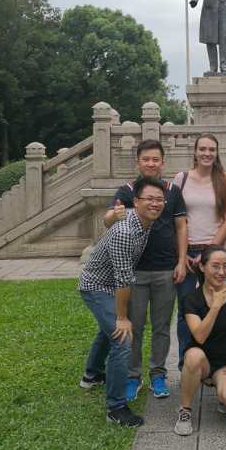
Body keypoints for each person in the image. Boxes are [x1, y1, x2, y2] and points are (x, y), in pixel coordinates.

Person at [103, 139, 187, 402]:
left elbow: (181, 227)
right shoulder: (127, 191)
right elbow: (107, 220)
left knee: (161, 326)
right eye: (146, 159)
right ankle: (133, 376)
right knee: (135, 326)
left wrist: (181, 261)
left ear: (163, 162)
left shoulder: (172, 192)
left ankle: (158, 373)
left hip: (165, 269)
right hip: (134, 271)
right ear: (137, 162)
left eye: (156, 159)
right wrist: (113, 215)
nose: (151, 163)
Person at [78, 176, 165, 426]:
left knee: (107, 332)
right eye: (149, 199)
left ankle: (92, 375)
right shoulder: (126, 231)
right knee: (121, 338)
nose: (155, 203)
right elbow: (123, 279)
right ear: (136, 202)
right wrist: (122, 317)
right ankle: (115, 408)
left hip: (109, 283)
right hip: (96, 286)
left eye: (160, 199)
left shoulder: (142, 220)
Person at [174, 245, 226, 435]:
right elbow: (200, 336)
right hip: (203, 360)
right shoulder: (191, 299)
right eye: (215, 266)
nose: (221, 272)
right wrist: (215, 307)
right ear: (202, 267)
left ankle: (221, 389)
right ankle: (185, 409)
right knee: (193, 356)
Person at [173, 134, 226, 367]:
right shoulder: (182, 178)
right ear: (195, 152)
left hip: (214, 254)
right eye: (202, 149)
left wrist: (209, 252)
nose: (207, 153)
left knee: (217, 306)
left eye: (211, 150)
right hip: (186, 253)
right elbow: (176, 218)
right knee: (185, 310)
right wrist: (181, 256)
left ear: (217, 153)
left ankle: (215, 361)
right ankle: (186, 362)